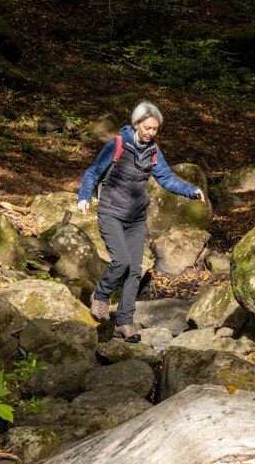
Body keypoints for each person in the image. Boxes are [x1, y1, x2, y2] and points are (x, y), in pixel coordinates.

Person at [77, 100, 204, 342]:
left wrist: (191, 190)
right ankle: (100, 296)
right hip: (111, 212)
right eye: (147, 128)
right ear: (136, 124)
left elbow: (166, 179)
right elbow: (93, 171)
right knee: (122, 261)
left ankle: (125, 321)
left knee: (134, 271)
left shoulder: (153, 151)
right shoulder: (117, 144)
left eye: (155, 129)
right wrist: (84, 196)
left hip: (136, 218)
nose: (151, 133)